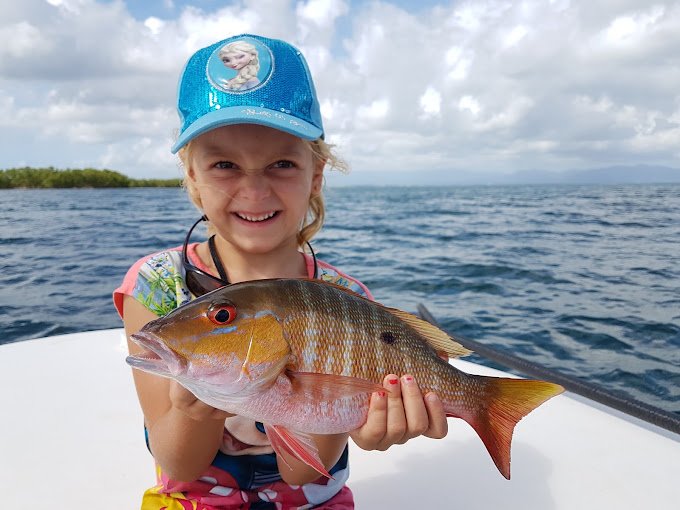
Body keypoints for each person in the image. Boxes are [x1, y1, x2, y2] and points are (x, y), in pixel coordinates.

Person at [114, 34, 448, 510]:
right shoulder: (155, 287)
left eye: (282, 164)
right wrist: (193, 411)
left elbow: (300, 473)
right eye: (225, 164)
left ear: (316, 175)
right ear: (191, 177)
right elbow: (180, 468)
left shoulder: (345, 299)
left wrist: (363, 423)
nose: (253, 190)